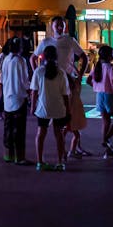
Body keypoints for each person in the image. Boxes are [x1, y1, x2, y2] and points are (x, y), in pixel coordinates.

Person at [34, 16, 91, 159]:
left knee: (68, 116)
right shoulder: (46, 42)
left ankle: (68, 150)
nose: (60, 27)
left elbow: (84, 57)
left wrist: (79, 77)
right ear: (51, 26)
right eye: (57, 25)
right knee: (53, 120)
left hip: (68, 83)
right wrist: (39, 74)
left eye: (62, 25)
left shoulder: (70, 41)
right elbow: (32, 58)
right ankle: (65, 151)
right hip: (51, 82)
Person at [29, 43, 71, 172]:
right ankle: (59, 162)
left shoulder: (39, 71)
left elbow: (34, 92)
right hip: (58, 108)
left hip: (43, 107)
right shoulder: (61, 73)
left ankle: (40, 162)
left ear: (43, 57)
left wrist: (32, 106)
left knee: (41, 134)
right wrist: (68, 109)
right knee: (59, 135)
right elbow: (65, 94)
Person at [0, 39, 33, 165]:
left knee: (8, 127)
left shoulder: (6, 60)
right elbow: (24, 81)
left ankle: (8, 154)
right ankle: (19, 157)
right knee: (19, 129)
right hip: (18, 98)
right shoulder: (21, 61)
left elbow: (2, 80)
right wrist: (30, 90)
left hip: (7, 98)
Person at [89, 44, 113, 158]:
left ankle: (108, 148)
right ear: (109, 56)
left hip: (100, 96)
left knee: (106, 122)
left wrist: (97, 86)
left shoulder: (97, 67)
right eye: (112, 53)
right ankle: (106, 139)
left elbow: (89, 80)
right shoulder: (111, 67)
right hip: (111, 96)